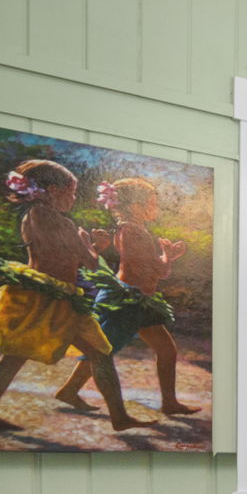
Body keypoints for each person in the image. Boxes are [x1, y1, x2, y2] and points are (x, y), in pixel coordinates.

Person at [0, 160, 151, 434]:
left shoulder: (37, 215)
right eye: (71, 192)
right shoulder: (50, 218)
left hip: (63, 299)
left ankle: (120, 417)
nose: (73, 199)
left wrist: (89, 246)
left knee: (99, 353)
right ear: (52, 190)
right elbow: (86, 261)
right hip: (45, 298)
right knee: (17, 356)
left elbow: (80, 259)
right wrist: (95, 246)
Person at [55, 176, 199, 415]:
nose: (156, 208)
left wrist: (167, 257)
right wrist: (167, 256)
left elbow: (154, 268)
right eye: (152, 203)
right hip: (124, 301)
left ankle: (170, 403)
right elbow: (156, 270)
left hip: (138, 301)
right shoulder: (132, 231)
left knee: (164, 350)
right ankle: (70, 390)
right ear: (135, 206)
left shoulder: (135, 230)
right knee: (102, 350)